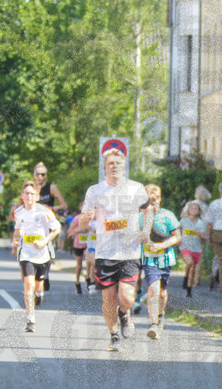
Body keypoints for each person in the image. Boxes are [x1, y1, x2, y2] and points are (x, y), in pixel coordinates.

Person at [82, 149, 150, 352]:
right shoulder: (94, 191)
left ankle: (125, 314)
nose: (114, 166)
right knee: (109, 299)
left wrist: (145, 230)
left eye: (118, 163)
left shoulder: (136, 188)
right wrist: (89, 216)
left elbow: (148, 210)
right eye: (110, 163)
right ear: (104, 168)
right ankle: (114, 335)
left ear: (124, 166)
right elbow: (84, 218)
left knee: (127, 298)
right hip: (105, 252)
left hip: (130, 251)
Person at [12, 181, 61, 332]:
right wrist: (15, 241)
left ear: (37, 196)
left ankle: (39, 294)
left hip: (43, 254)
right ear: (22, 195)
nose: (29, 196)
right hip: (26, 252)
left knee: (38, 285)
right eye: (26, 193)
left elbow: (57, 228)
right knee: (28, 284)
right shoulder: (18, 212)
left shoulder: (44, 211)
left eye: (32, 194)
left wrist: (44, 241)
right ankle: (30, 319)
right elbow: (18, 230)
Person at [140, 184, 181, 339]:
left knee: (162, 294)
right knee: (153, 291)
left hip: (165, 259)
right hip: (149, 260)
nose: (153, 203)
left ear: (160, 199)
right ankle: (154, 324)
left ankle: (161, 315)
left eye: (155, 199)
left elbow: (178, 236)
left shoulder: (168, 216)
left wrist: (162, 245)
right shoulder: (140, 216)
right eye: (149, 200)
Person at [31, 162, 68, 293]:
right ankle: (35, 275)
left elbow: (64, 205)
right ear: (34, 175)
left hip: (47, 222)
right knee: (33, 250)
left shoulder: (51, 188)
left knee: (46, 249)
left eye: (43, 174)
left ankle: (45, 274)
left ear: (46, 175)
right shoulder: (30, 188)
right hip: (33, 223)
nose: (40, 177)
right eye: (38, 174)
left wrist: (52, 208)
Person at [179, 201, 206, 298]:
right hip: (185, 246)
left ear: (199, 212)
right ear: (189, 211)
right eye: (192, 209)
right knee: (189, 262)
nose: (194, 211)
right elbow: (177, 229)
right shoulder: (184, 221)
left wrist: (200, 234)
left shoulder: (201, 223)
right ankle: (185, 279)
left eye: (196, 209)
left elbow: (204, 237)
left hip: (196, 248)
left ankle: (189, 290)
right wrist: (178, 238)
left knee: (192, 269)